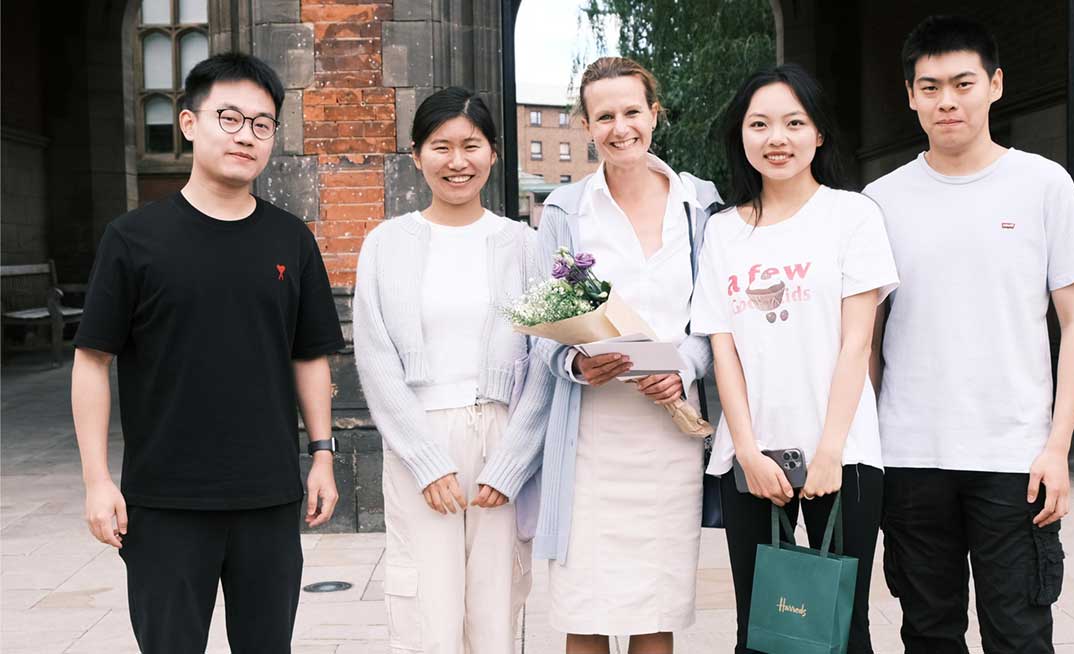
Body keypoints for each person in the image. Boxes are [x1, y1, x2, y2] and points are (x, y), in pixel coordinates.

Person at [71, 52, 344, 653]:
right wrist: (96, 481)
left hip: (268, 497)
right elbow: (93, 359)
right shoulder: (133, 239)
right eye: (230, 117)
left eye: (262, 123)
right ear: (190, 123)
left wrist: (322, 454)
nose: (246, 135)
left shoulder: (290, 240)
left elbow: (309, 356)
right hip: (165, 500)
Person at [864, 16, 1074, 653]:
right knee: (929, 633)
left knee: (1020, 634)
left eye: (963, 83)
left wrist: (1058, 447)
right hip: (911, 455)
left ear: (995, 85)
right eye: (931, 86)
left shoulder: (1044, 184)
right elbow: (865, 339)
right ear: (910, 96)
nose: (948, 100)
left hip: (1014, 459)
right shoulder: (879, 200)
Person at [496, 56, 721, 654]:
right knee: (586, 608)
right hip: (590, 434)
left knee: (656, 608)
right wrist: (575, 364)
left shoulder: (700, 205)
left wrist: (686, 365)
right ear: (586, 125)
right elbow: (541, 329)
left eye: (631, 112)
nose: (620, 128)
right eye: (604, 117)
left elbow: (717, 319)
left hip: (669, 434)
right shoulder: (567, 211)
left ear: (654, 113)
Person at [692, 64, 897, 654]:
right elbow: (721, 347)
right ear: (742, 136)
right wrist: (748, 451)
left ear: (819, 135)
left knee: (840, 629)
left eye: (793, 122)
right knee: (762, 632)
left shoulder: (851, 216)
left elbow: (858, 342)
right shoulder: (723, 232)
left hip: (845, 455)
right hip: (751, 461)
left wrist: (831, 451)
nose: (775, 138)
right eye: (759, 124)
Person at [352, 86, 552, 654]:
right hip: (420, 435)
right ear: (416, 155)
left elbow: (545, 361)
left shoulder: (525, 245)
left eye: (472, 145)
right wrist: (425, 459)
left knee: (496, 609)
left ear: (493, 153)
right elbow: (375, 357)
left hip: (502, 435)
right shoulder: (385, 245)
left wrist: (513, 461)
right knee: (425, 612)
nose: (457, 161)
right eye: (441, 147)